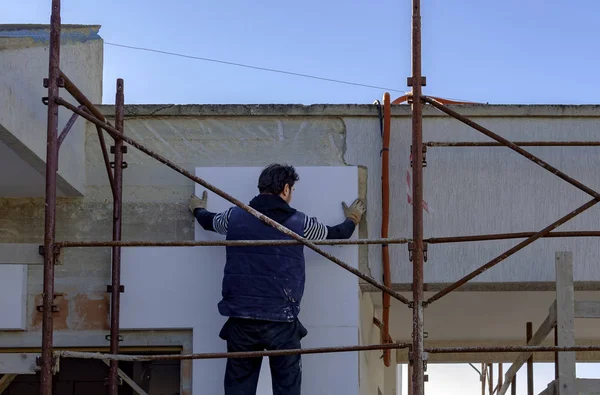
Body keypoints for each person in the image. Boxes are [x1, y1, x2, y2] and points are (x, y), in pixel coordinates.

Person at [188, 163, 366, 395]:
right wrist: (353, 218)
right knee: (287, 389)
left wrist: (197, 209)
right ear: (285, 189)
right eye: (292, 189)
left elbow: (208, 221)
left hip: (242, 320)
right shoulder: (300, 224)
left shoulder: (234, 217)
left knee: (238, 389)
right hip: (282, 321)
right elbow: (337, 234)